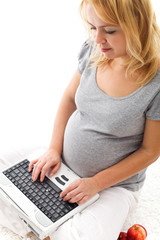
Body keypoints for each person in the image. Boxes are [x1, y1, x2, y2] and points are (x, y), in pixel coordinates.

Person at [1, 0, 160, 239]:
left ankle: (42, 225)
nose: (98, 39)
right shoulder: (94, 50)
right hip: (62, 161)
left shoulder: (155, 83)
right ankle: (39, 225)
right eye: (92, 27)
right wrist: (54, 150)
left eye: (109, 30)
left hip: (112, 186)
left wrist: (95, 183)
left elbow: (150, 151)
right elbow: (68, 98)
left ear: (138, 25)